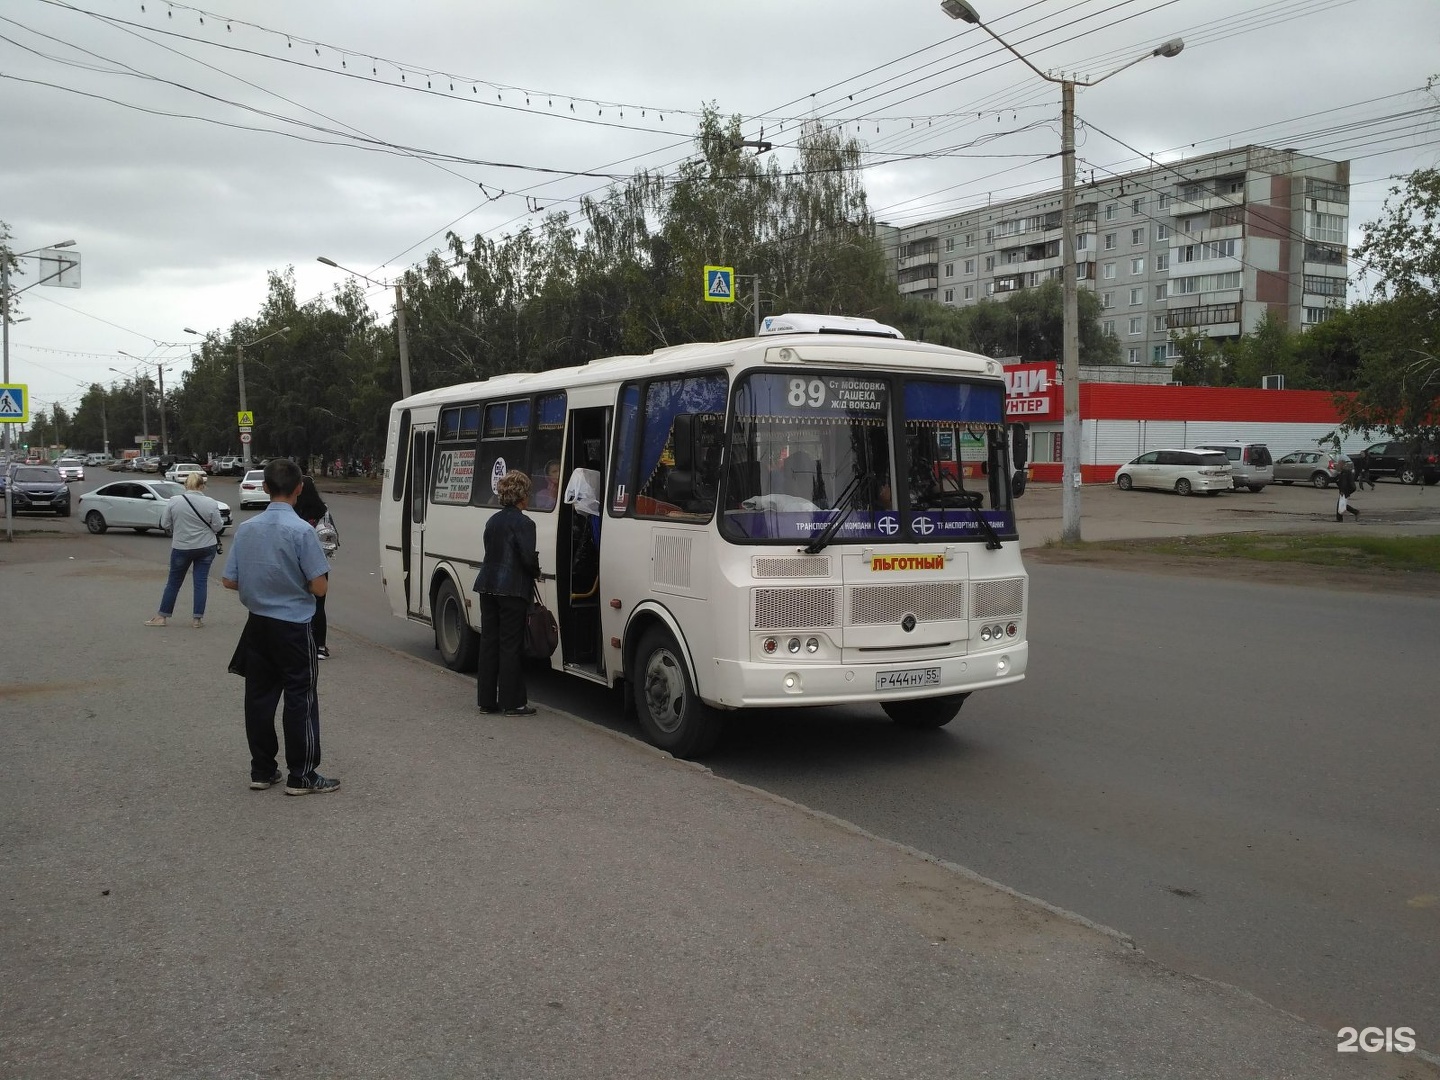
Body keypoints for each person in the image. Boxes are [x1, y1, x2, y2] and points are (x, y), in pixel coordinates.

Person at [222, 458, 338, 795]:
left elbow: (230, 580)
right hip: (294, 626)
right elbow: (320, 587)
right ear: (299, 488)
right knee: (300, 698)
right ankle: (301, 775)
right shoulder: (302, 530)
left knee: (258, 698)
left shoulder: (248, 529)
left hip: (257, 625)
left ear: (266, 487)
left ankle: (262, 770)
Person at [473, 469, 540, 716]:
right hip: (511, 590)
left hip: (486, 586)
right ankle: (513, 703)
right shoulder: (525, 523)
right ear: (522, 496)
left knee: (489, 643)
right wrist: (536, 571)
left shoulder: (493, 521)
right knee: (510, 646)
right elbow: (526, 558)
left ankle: (487, 702)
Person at [144, 471, 224, 629]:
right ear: (202, 486)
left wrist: (179, 528)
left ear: (186, 485)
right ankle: (197, 619)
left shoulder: (174, 501)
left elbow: (165, 524)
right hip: (206, 546)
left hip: (182, 546)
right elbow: (218, 526)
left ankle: (162, 617)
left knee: (173, 582)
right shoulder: (211, 502)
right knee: (200, 582)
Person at [293, 472, 331, 658]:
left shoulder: (293, 508)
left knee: (297, 601)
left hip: (295, 562)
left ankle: (301, 642)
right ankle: (320, 647)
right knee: (319, 604)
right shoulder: (322, 509)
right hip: (318, 561)